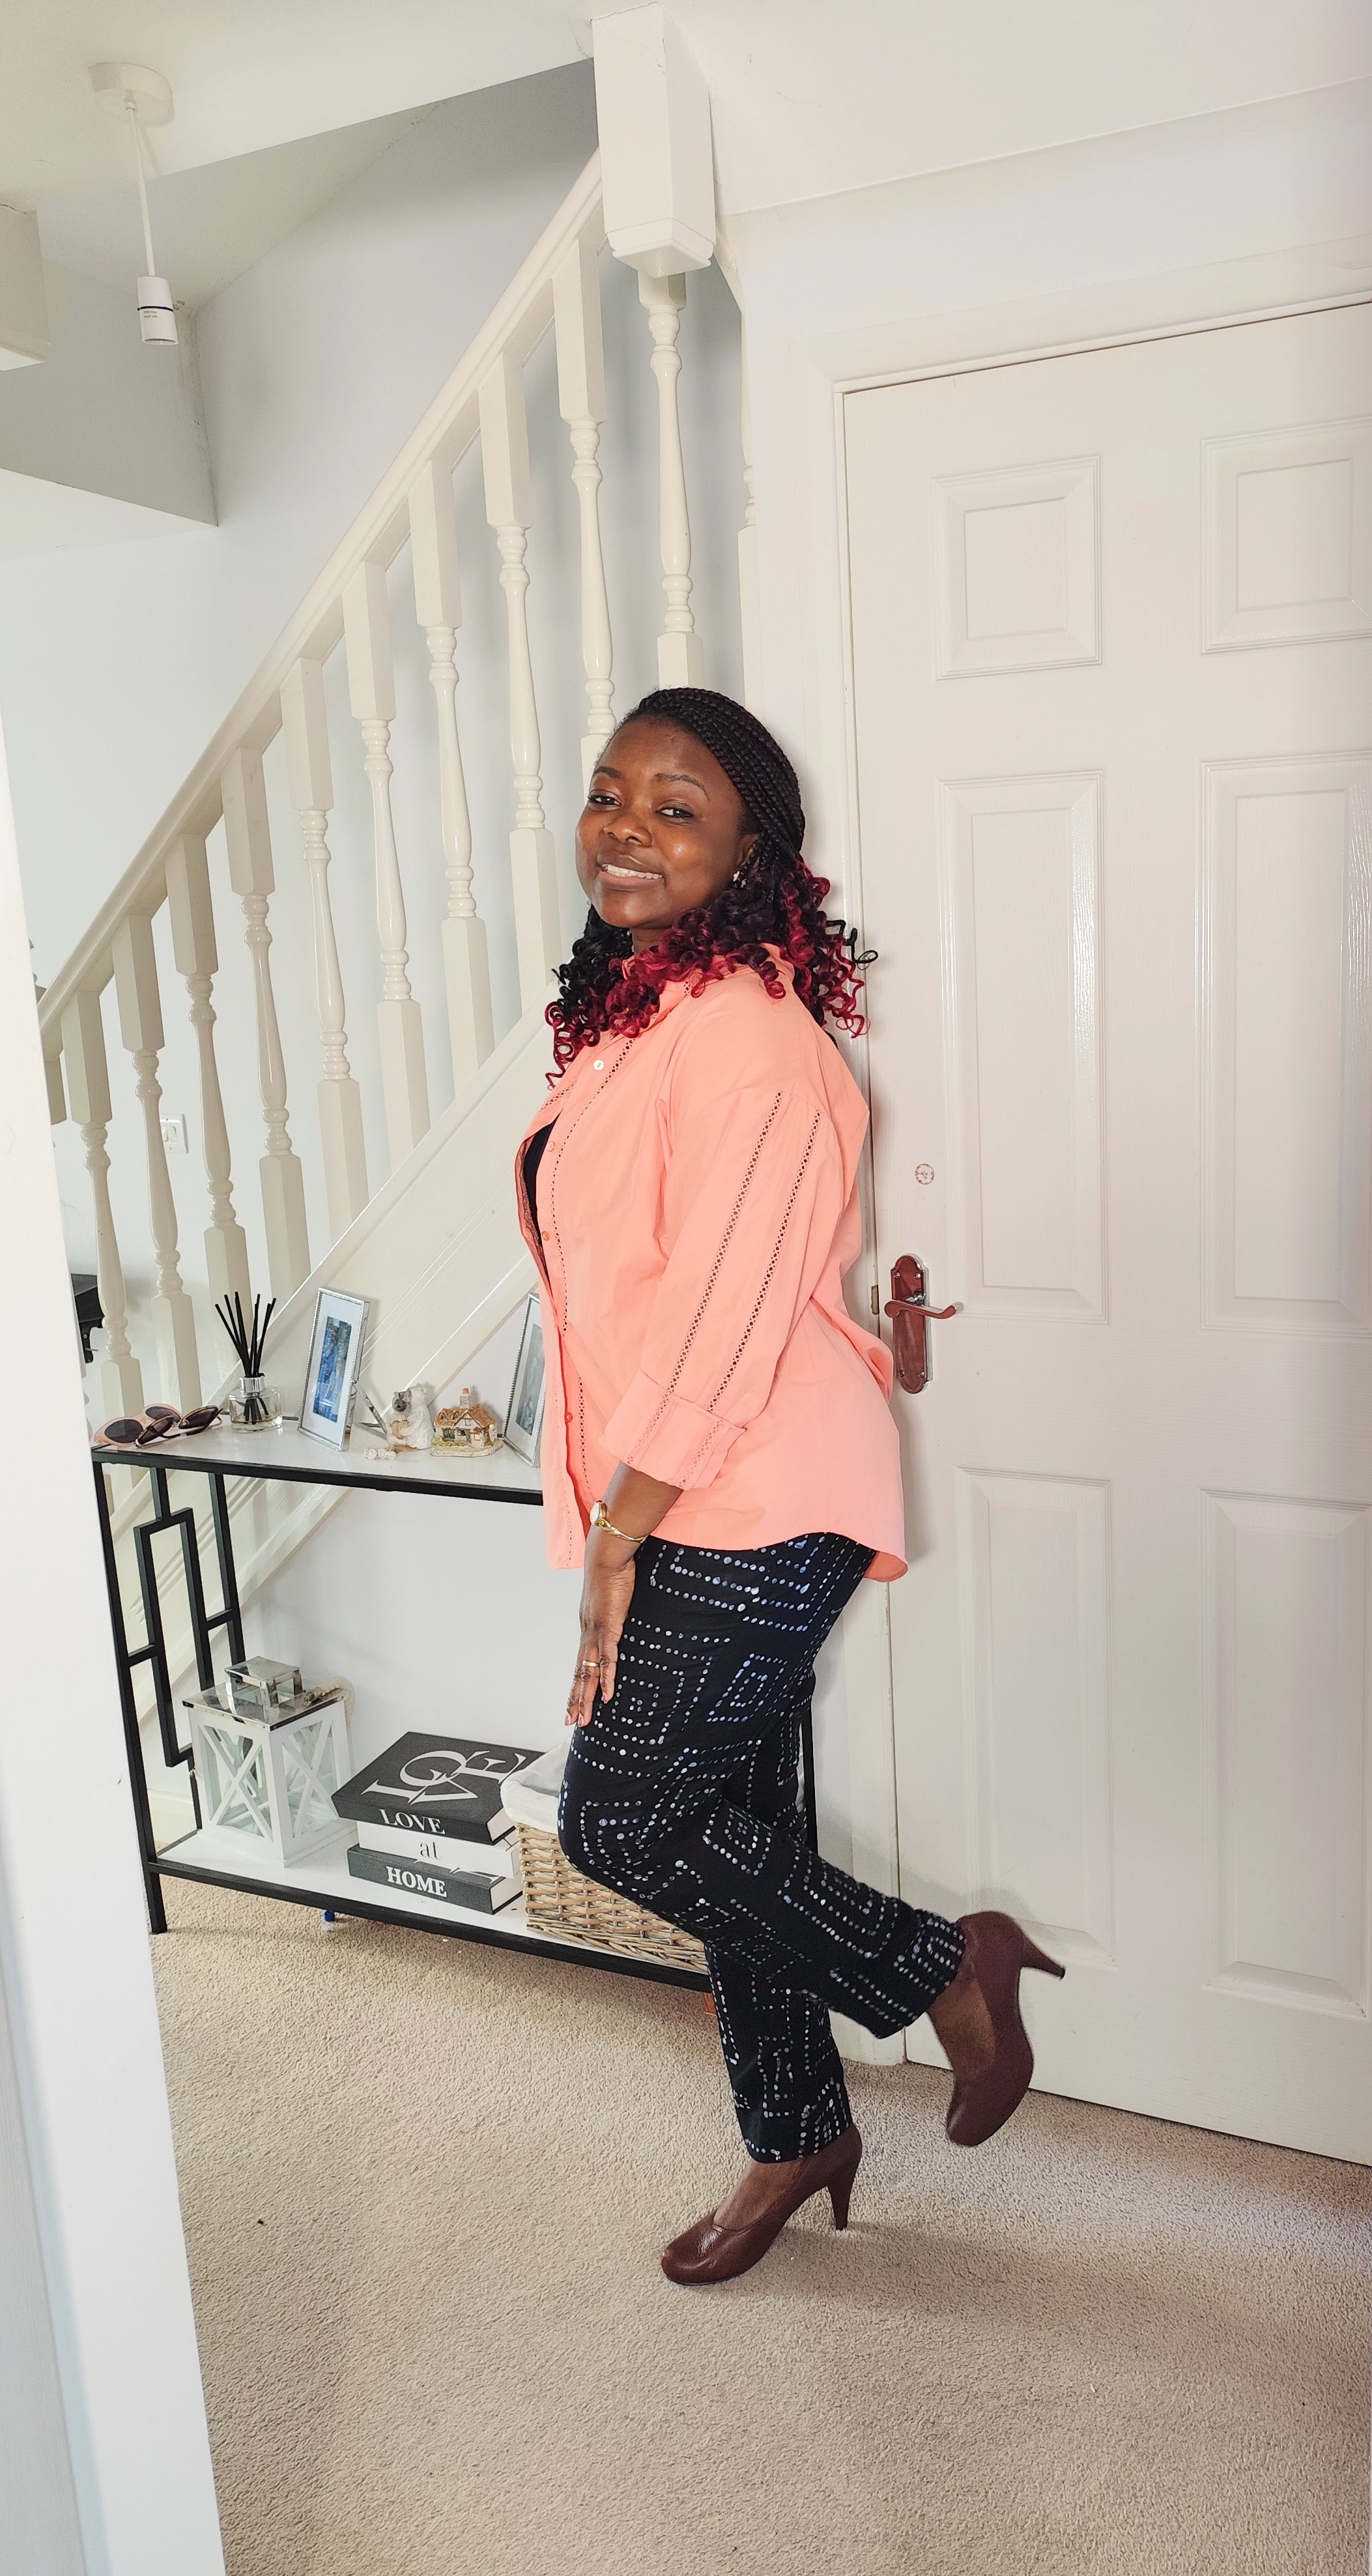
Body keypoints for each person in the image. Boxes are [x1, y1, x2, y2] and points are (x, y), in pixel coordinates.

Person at [517, 687, 1063, 2285]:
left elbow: (726, 1321)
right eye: (609, 791)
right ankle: (796, 2133)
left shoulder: (754, 1043)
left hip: (761, 1495)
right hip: (678, 1482)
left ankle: (942, 1967)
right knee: (729, 1827)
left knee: (624, 1818)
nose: (626, 827)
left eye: (676, 805)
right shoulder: (635, 1022)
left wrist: (617, 1534)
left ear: (753, 849)